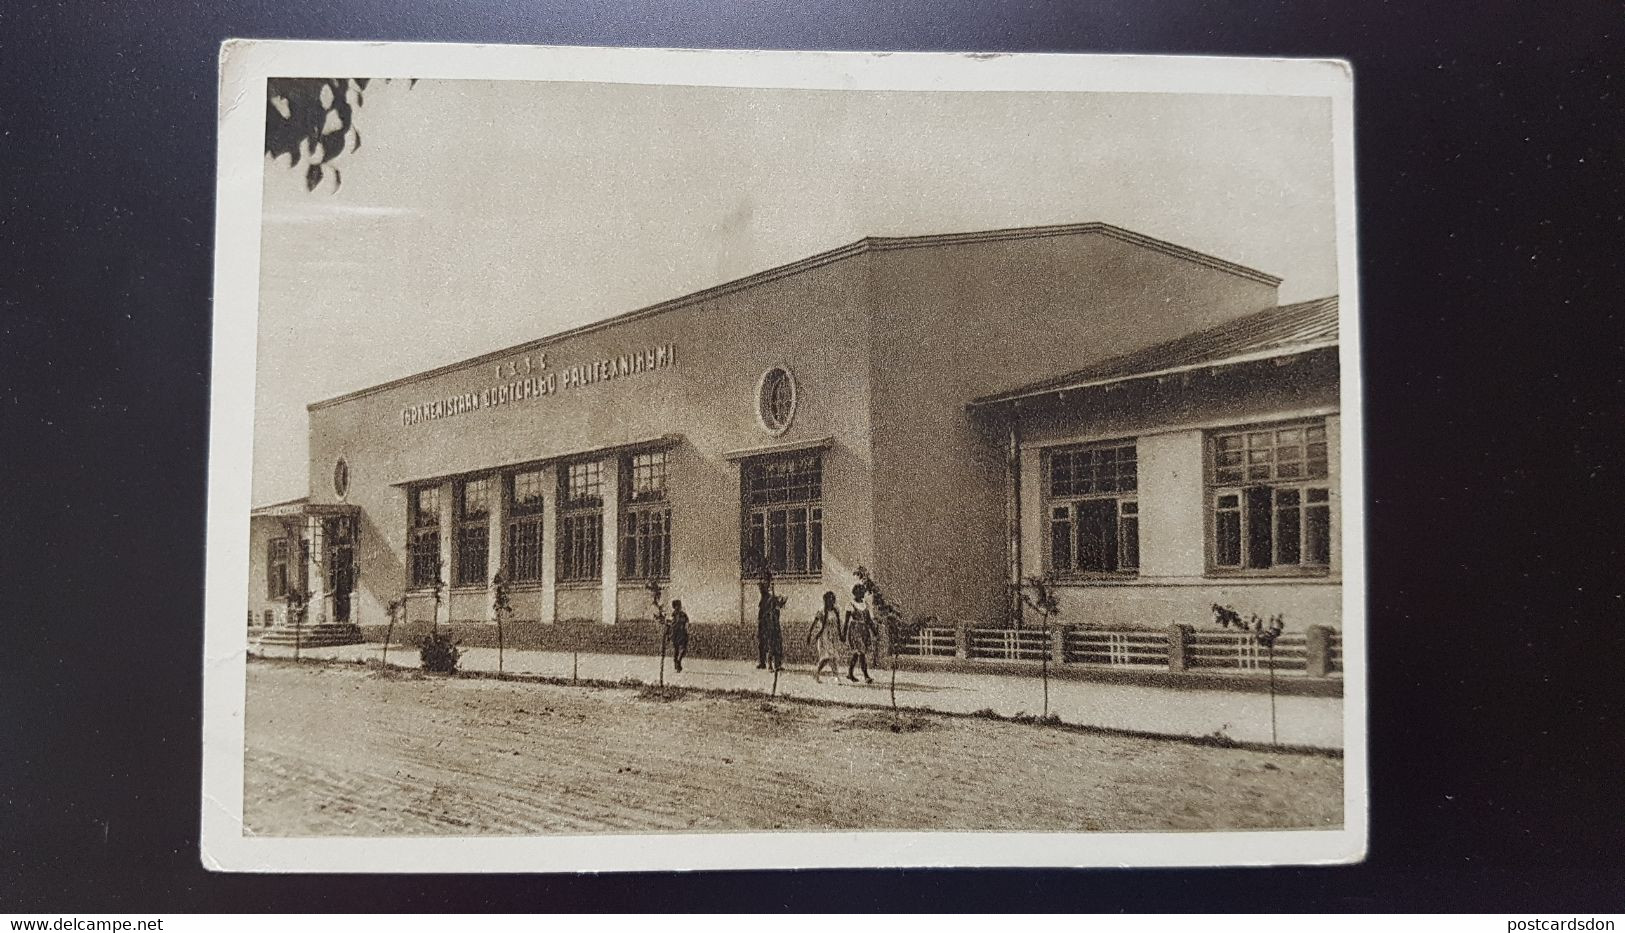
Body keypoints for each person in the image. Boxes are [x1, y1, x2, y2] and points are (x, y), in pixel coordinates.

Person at [807, 591, 843, 684]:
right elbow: (814, 624)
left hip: (833, 636)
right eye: (829, 599)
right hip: (824, 636)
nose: (831, 601)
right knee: (827, 657)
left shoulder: (836, 610)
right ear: (826, 600)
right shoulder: (822, 611)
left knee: (832, 657)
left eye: (832, 599)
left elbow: (838, 624)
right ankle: (822, 674)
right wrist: (810, 634)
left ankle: (831, 675)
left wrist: (840, 635)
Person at [843, 583, 876, 684]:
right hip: (855, 630)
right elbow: (846, 621)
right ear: (856, 592)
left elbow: (869, 619)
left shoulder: (865, 604)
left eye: (864, 592)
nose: (863, 594)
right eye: (861, 592)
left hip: (864, 630)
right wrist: (843, 634)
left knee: (857, 653)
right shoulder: (851, 604)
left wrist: (874, 631)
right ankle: (866, 676)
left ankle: (850, 673)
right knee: (861, 652)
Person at [756, 575, 786, 671]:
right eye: (765, 582)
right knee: (765, 642)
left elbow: (779, 603)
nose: (766, 584)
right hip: (765, 623)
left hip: (774, 623)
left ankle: (777, 664)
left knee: (776, 643)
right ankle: (764, 663)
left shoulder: (771, 597)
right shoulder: (765, 594)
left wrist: (778, 599)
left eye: (767, 581)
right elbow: (763, 591)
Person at [668, 599, 689, 673]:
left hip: (677, 634)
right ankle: (677, 661)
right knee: (680, 649)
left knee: (678, 649)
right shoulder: (679, 614)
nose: (679, 607)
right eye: (678, 605)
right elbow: (686, 623)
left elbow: (669, 625)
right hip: (678, 633)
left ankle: (677, 662)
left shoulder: (674, 615)